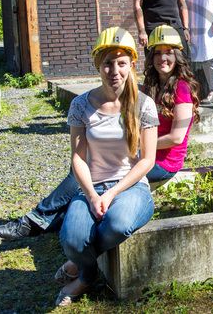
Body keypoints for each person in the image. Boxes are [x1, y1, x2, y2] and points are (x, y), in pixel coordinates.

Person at [0, 26, 199, 242]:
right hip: (137, 152)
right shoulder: (152, 85)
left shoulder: (181, 88)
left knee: (84, 172)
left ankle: (34, 221)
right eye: (157, 52)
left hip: (162, 161)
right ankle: (51, 221)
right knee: (86, 168)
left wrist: (137, 145)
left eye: (169, 52)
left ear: (178, 56)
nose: (162, 58)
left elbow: (176, 137)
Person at [53, 27, 158, 305]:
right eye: (108, 63)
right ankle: (89, 271)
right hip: (91, 187)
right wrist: (91, 194)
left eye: (121, 63)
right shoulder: (80, 105)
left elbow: (148, 160)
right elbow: (77, 157)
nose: (114, 70)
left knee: (118, 223)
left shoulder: (144, 105)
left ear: (131, 65)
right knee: (72, 239)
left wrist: (111, 195)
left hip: (131, 188)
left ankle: (82, 274)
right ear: (98, 64)